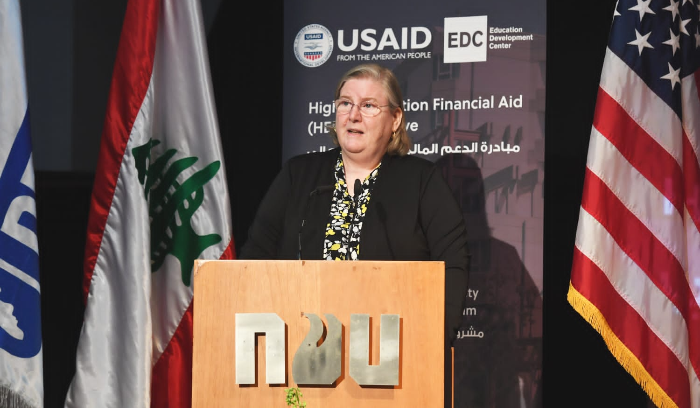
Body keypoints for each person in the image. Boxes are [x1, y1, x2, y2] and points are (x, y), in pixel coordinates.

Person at [240, 63, 469, 404]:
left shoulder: (422, 181)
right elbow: (252, 261)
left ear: (395, 119)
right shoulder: (298, 176)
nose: (353, 115)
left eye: (368, 105)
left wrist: (432, 345)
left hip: (391, 364)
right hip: (300, 358)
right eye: (345, 103)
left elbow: (453, 265)